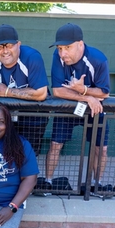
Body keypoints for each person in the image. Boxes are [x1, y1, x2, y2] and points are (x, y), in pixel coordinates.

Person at [45, 23, 110, 190]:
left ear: (80, 44)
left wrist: (84, 89)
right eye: (60, 48)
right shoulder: (58, 57)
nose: (63, 53)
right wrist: (87, 96)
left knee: (101, 149)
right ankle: (48, 182)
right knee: (55, 144)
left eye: (67, 47)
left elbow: (104, 93)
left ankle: (97, 184)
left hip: (96, 109)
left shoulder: (98, 59)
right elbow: (58, 91)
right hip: (70, 107)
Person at [0, 24, 49, 156]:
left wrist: (7, 91)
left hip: (33, 117)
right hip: (7, 118)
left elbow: (41, 93)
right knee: (4, 153)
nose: (5, 51)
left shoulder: (32, 57)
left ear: (18, 44)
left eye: (8, 45)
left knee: (27, 155)